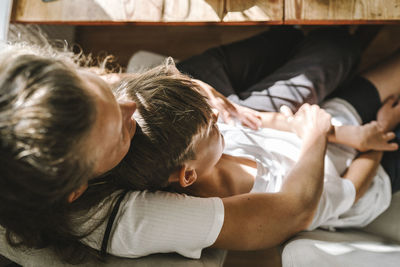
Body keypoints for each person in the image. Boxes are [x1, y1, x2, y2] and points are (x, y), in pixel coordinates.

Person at [0, 26, 384, 263]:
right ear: (77, 188)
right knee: (333, 53)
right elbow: (292, 212)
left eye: (105, 92)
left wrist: (183, 86)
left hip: (189, 117)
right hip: (197, 139)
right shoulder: (123, 220)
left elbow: (114, 80)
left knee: (282, 39)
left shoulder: (26, 83)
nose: (128, 104)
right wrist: (316, 133)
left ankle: (303, 37)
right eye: (117, 129)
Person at [112, 60, 400, 232]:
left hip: (338, 126)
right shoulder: (266, 200)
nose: (215, 115)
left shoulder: (212, 141)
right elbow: (351, 190)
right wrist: (380, 132)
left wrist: (349, 134)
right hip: (372, 171)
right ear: (188, 174)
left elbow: (269, 121)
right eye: (208, 126)